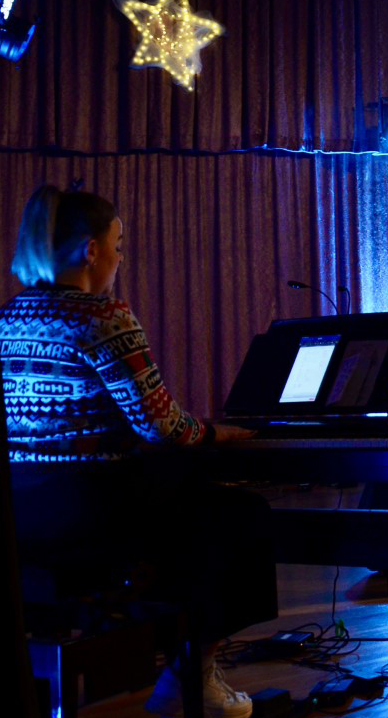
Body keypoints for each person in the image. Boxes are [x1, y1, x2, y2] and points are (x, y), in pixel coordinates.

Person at [2, 185, 274, 718]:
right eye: (119, 245)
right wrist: (220, 432)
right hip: (90, 513)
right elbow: (163, 427)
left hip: (22, 514)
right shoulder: (104, 317)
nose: (121, 259)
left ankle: (177, 668)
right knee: (240, 517)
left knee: (198, 514)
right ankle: (191, 676)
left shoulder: (9, 320)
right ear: (91, 250)